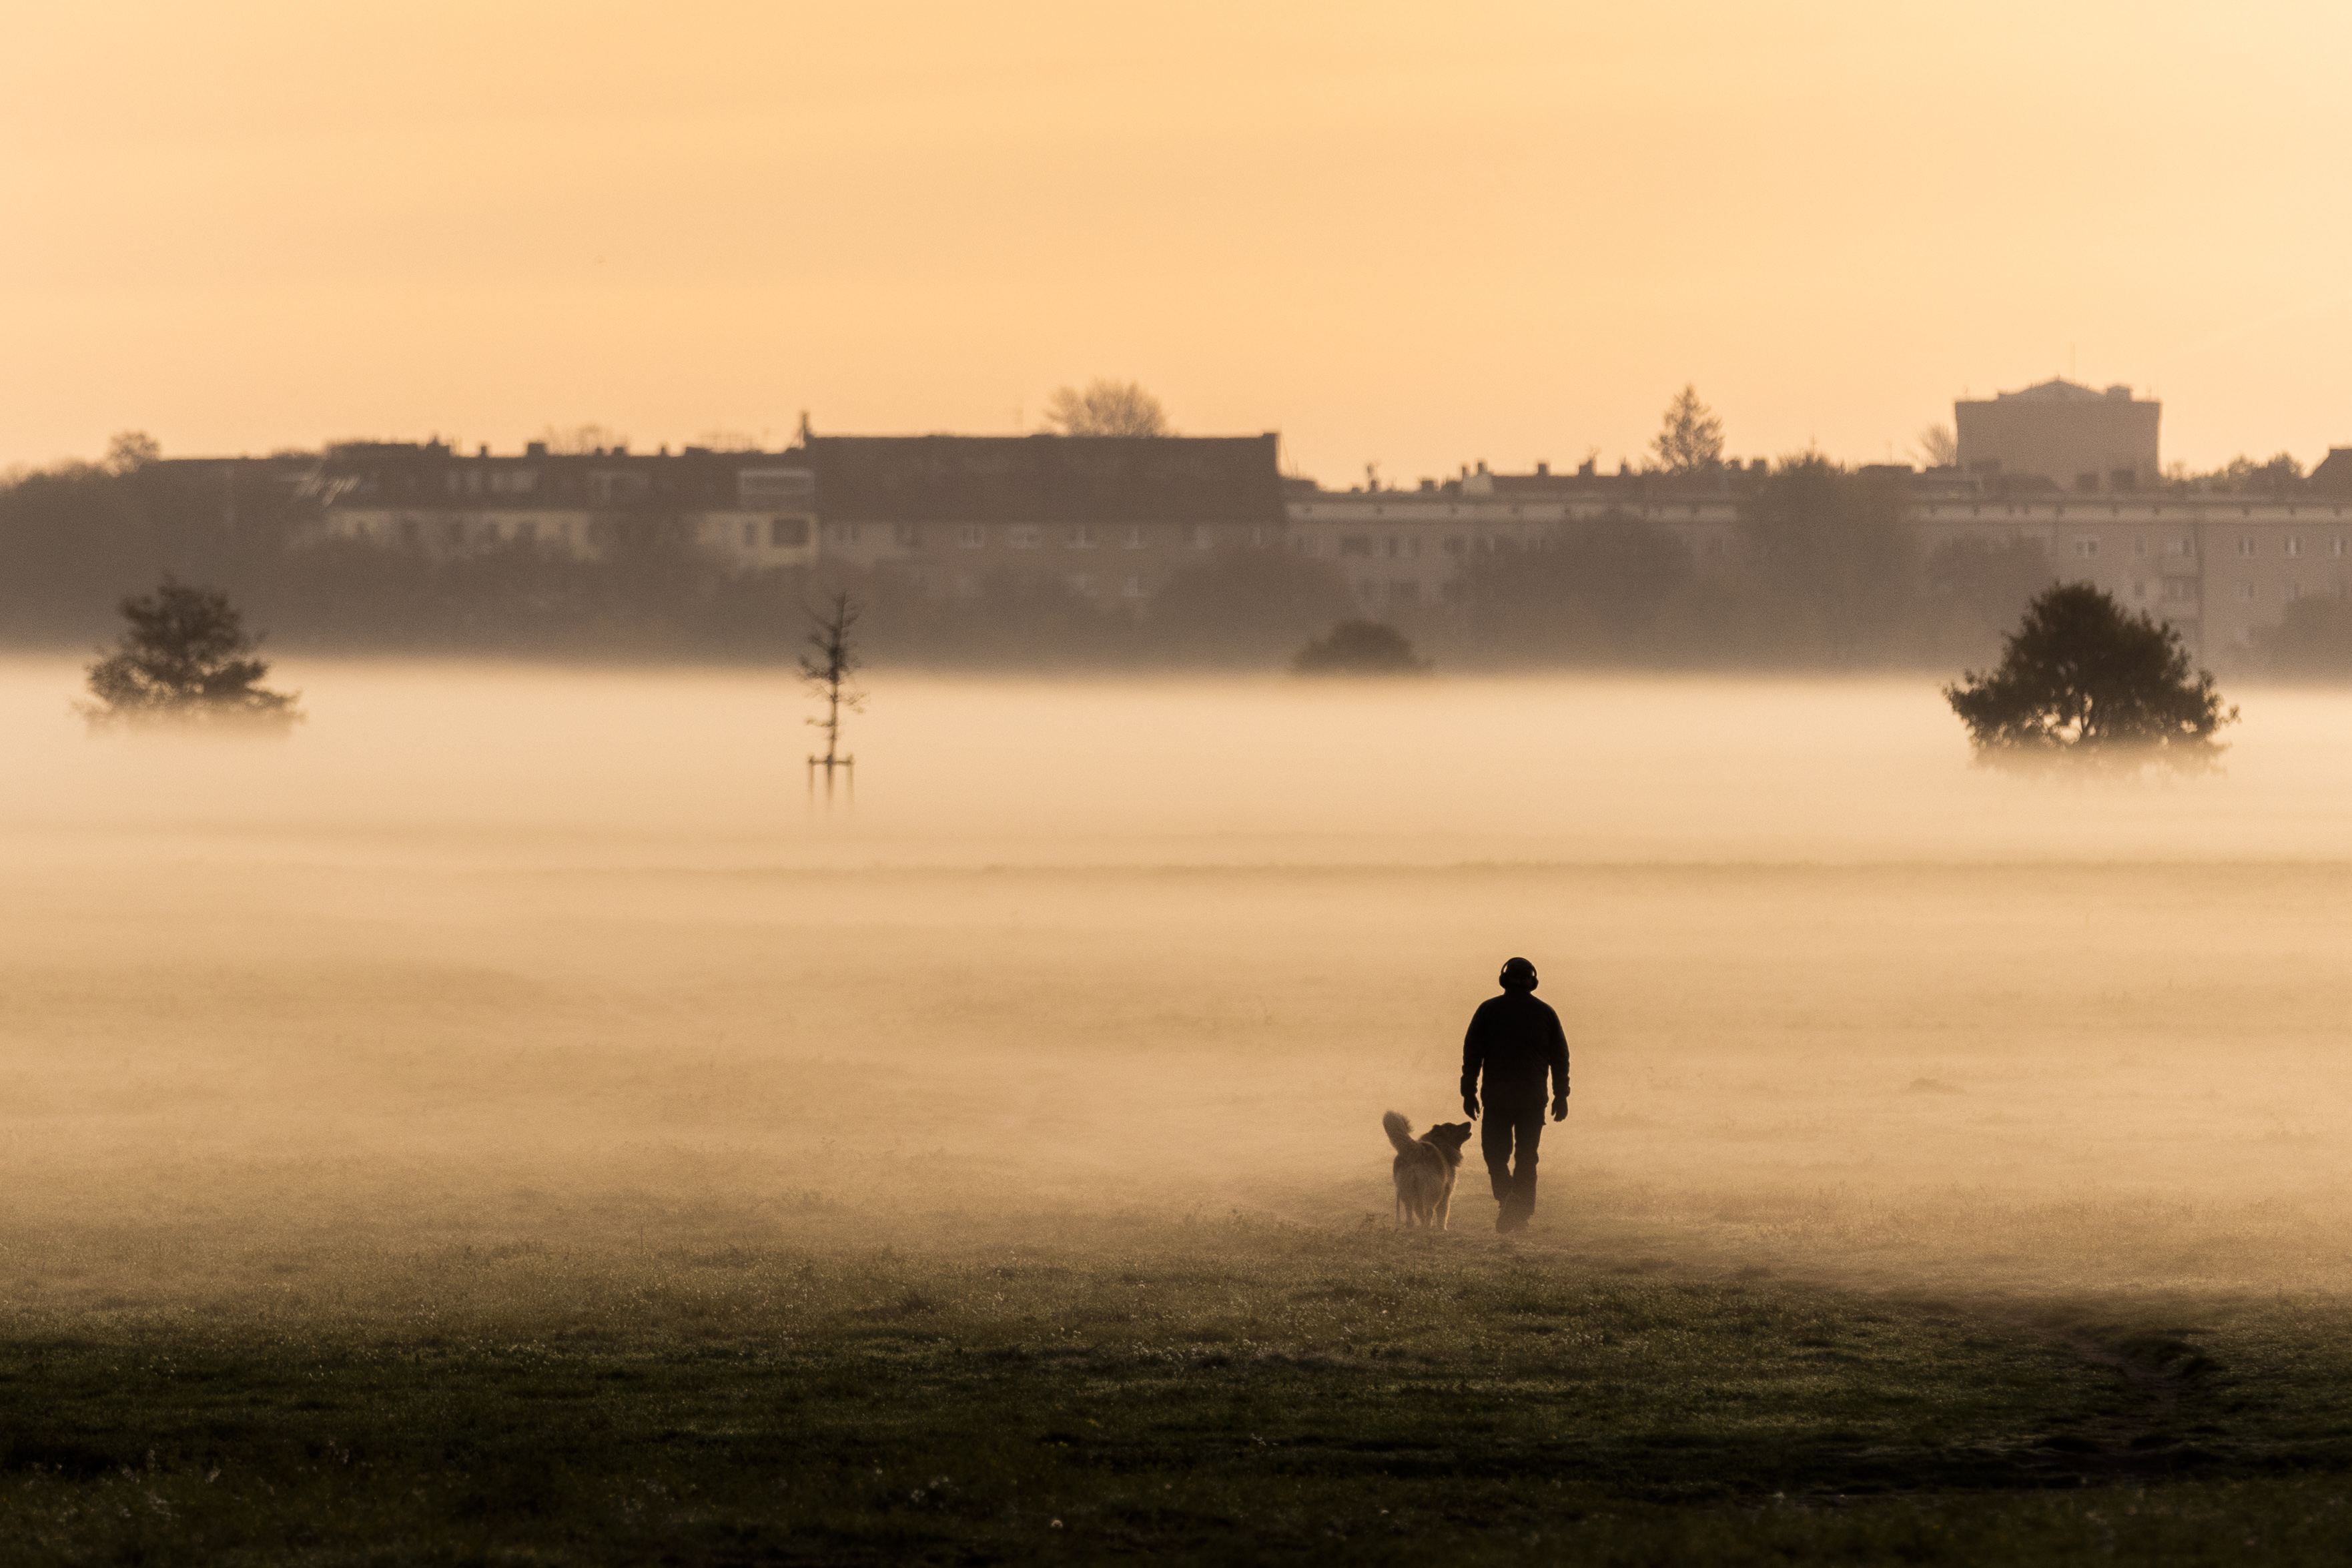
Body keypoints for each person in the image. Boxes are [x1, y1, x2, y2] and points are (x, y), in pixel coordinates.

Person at [1460, 956, 1569, 1232]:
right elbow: (1560, 1058)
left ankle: (1508, 1199)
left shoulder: (1488, 1010)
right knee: (1527, 1156)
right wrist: (1561, 1095)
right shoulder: (1546, 1013)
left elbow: (1472, 1055)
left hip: (1497, 1099)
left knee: (1495, 1155)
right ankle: (1520, 1211)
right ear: (1533, 981)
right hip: (1533, 1099)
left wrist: (1468, 1092)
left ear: (1503, 980)